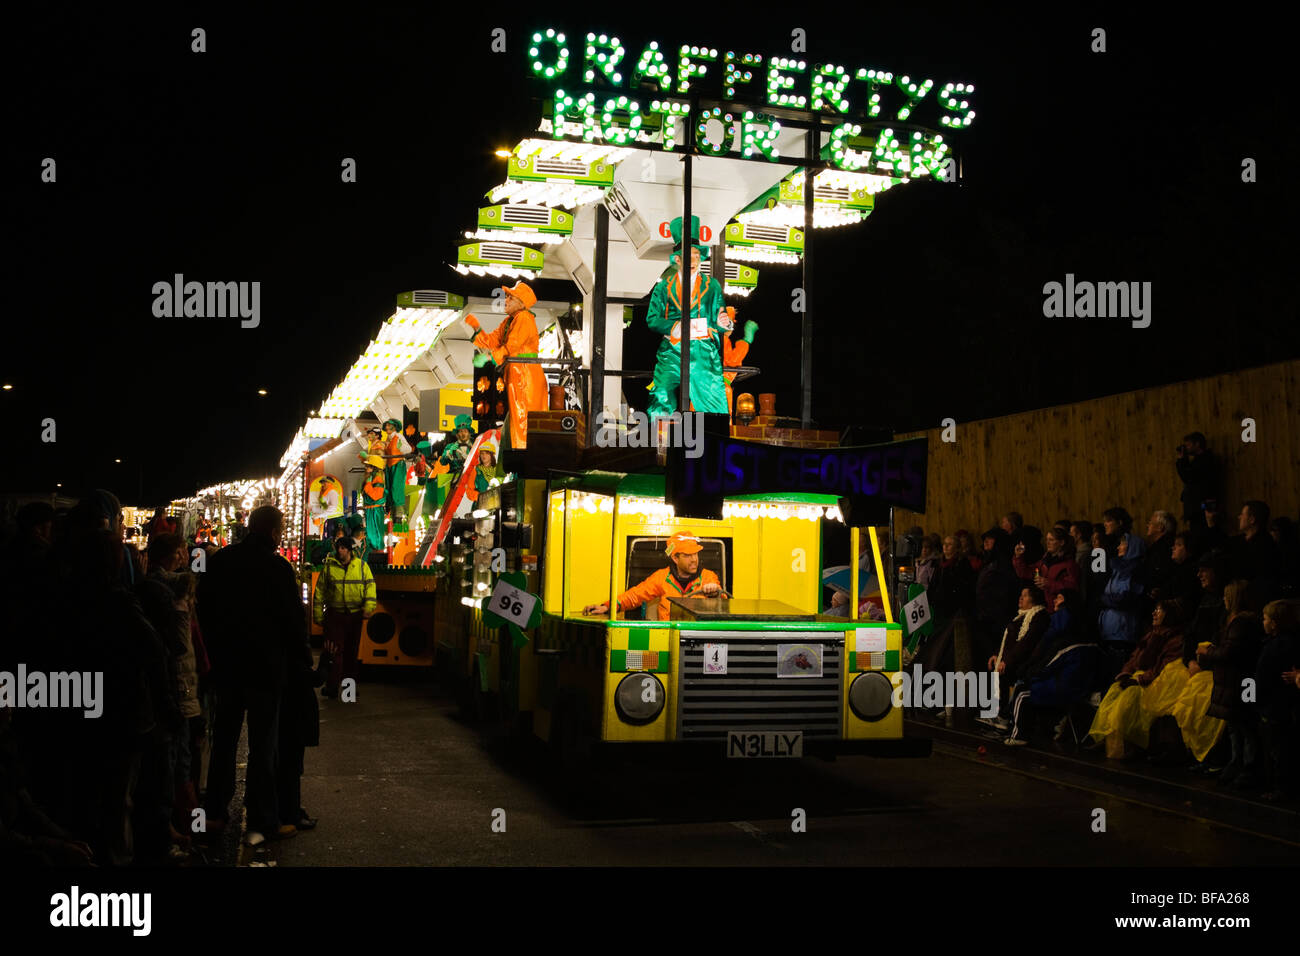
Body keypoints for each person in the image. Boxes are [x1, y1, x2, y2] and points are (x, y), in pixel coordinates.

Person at [198, 506, 311, 847]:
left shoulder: (222, 562)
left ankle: (215, 811)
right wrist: (303, 663)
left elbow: (204, 609)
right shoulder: (278, 568)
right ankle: (264, 818)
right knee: (264, 747)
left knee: (224, 741)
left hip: (228, 668)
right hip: (265, 670)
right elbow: (293, 622)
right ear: (275, 532)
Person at [644, 216, 729, 420]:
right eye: (687, 256)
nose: (692, 260)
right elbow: (652, 319)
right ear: (678, 260)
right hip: (672, 349)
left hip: (702, 349)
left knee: (713, 403)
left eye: (696, 255)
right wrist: (674, 328)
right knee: (661, 394)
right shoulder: (663, 287)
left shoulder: (713, 286)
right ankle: (659, 441)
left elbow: (721, 317)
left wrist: (723, 323)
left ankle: (713, 442)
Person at [1086, 600, 1186, 756]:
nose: (1154, 613)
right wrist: (1126, 673)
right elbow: (1135, 659)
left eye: (1159, 611)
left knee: (1129, 697)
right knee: (1114, 691)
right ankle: (1108, 738)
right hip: (1138, 677)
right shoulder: (1151, 634)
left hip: (1157, 683)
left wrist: (1139, 680)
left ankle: (1128, 744)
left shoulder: (1174, 640)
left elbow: (1163, 669)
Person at [464, 280, 548, 450]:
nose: (506, 300)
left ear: (521, 303)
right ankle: (522, 452)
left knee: (523, 417)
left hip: (525, 374)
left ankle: (524, 453)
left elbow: (512, 346)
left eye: (510, 297)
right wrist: (476, 328)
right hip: (517, 372)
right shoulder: (509, 321)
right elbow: (492, 340)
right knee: (518, 417)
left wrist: (488, 359)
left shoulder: (524, 318)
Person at [1197, 579, 1264, 787]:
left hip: (1239, 680)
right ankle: (1236, 764)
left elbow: (1230, 652)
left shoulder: (1241, 623)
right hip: (1231, 680)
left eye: (1228, 596)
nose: (1224, 599)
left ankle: (1248, 767)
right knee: (1235, 725)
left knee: (1244, 726)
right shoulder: (1232, 620)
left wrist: (1207, 652)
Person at [583, 531, 725, 620]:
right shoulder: (661, 577)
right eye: (687, 555)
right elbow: (635, 595)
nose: (694, 559)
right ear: (675, 558)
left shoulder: (708, 577)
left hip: (698, 638)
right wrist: (607, 606)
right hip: (667, 638)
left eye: (695, 554)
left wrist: (714, 592)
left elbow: (722, 601)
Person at [312, 537, 377, 698]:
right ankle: (333, 687)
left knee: (351, 654)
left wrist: (368, 608)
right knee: (334, 653)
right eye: (338, 547)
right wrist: (318, 616)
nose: (340, 550)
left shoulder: (362, 567)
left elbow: (370, 588)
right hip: (335, 616)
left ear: (349, 550)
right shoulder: (329, 568)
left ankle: (349, 691)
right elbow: (319, 593)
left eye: (342, 548)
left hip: (354, 616)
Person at [1255, 600, 1299, 800]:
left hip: (1275, 705)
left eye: (1265, 619)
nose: (1262, 622)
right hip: (1278, 704)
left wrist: (1252, 698)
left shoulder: (1278, 646)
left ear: (1275, 623)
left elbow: (1264, 676)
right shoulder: (1286, 642)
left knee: (1278, 749)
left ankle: (1281, 788)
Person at [1097, 531, 1147, 664]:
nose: (1118, 547)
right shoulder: (1117, 569)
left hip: (1124, 631)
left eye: (1122, 544)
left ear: (1132, 547)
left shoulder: (1137, 571)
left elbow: (1125, 599)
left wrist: (1104, 599)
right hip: (1111, 629)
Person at [1175, 431, 1219, 534]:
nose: (1186, 448)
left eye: (1188, 444)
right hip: (1197, 507)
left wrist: (1181, 460)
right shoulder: (1198, 460)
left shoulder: (1205, 460)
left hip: (1201, 507)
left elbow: (1188, 477)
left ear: (1197, 444)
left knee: (1203, 534)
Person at [1029, 526, 1082, 609]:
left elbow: (1072, 586)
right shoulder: (1045, 560)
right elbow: (1028, 572)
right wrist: (1018, 558)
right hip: (1044, 606)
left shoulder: (1069, 564)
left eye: (1051, 540)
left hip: (1059, 608)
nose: (1047, 542)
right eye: (1047, 539)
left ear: (1061, 542)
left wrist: (1048, 583)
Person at [720, 309, 758, 414]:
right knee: (721, 424)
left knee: (696, 423)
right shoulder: (722, 339)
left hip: (700, 387)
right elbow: (732, 361)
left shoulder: (704, 340)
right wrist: (746, 341)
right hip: (720, 387)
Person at [379, 419, 411, 522]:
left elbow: (408, 449)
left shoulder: (399, 437)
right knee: (388, 487)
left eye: (389, 425)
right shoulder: (387, 439)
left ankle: (398, 514)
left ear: (394, 427)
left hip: (398, 465)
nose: (387, 427)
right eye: (386, 425)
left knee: (396, 488)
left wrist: (401, 447)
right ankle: (391, 511)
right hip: (389, 466)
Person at [361, 455, 388, 555]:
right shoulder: (371, 478)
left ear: (374, 468)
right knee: (371, 535)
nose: (365, 468)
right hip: (370, 511)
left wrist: (367, 485)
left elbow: (376, 496)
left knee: (376, 535)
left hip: (375, 512)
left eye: (368, 466)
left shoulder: (377, 479)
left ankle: (378, 556)